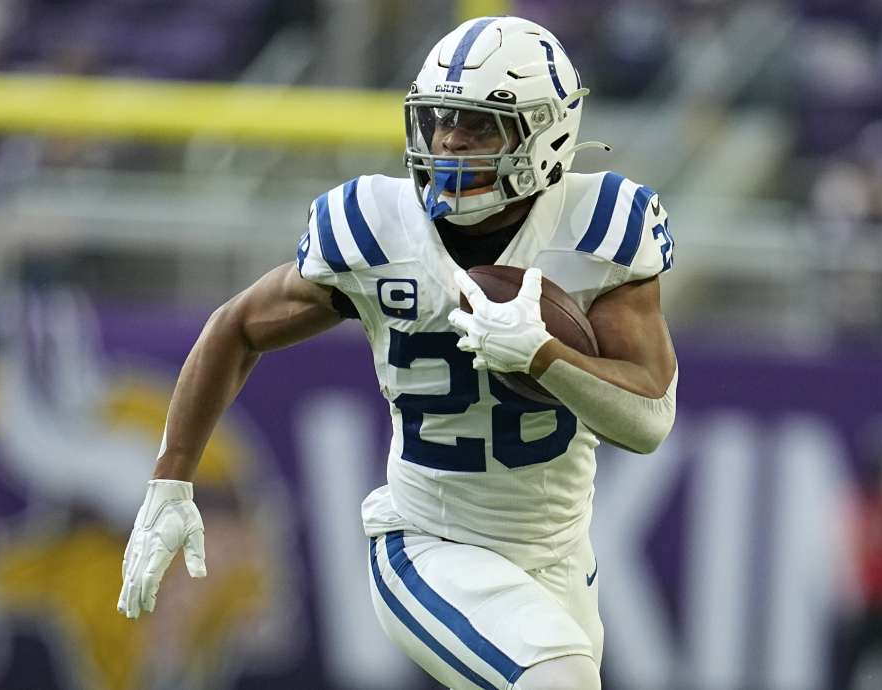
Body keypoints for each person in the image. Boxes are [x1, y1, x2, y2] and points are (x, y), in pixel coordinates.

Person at [118, 16, 678, 690]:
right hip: (430, 541)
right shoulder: (379, 229)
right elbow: (236, 327)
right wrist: (171, 480)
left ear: (547, 132)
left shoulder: (599, 227)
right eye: (441, 117)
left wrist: (541, 354)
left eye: (478, 124)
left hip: (559, 555)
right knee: (558, 679)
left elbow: (648, 420)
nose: (449, 139)